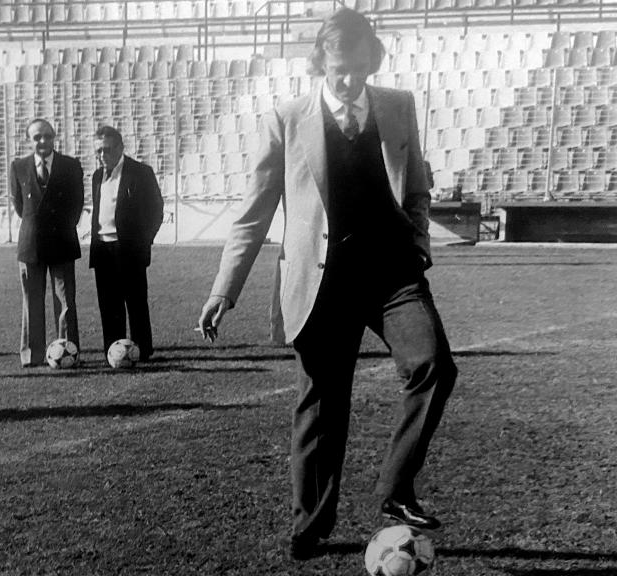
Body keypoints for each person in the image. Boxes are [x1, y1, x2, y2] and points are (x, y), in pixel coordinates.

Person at [197, 8, 457, 560]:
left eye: (359, 69)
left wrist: (418, 243)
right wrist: (223, 290)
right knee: (322, 405)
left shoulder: (398, 106)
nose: (349, 80)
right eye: (339, 69)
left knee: (433, 364)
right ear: (321, 62)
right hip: (322, 282)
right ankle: (310, 525)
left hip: (392, 274)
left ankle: (396, 489)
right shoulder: (287, 119)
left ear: (372, 61)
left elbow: (416, 187)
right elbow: (253, 214)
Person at [9, 119, 83, 367]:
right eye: (37, 137)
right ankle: (32, 355)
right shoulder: (18, 167)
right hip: (31, 244)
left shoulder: (70, 166)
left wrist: (60, 227)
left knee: (65, 303)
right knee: (31, 302)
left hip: (62, 241)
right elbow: (20, 206)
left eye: (47, 136)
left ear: (54, 137)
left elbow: (77, 204)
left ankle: (68, 352)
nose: (43, 141)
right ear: (29, 140)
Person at [89, 125, 163, 361]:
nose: (103, 155)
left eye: (107, 149)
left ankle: (142, 350)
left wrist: (144, 241)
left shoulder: (140, 172)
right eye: (98, 151)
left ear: (121, 147)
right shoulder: (97, 176)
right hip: (103, 248)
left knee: (136, 302)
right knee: (108, 305)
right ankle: (114, 352)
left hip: (129, 249)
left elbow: (156, 210)